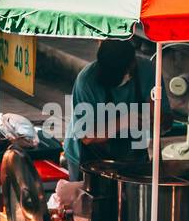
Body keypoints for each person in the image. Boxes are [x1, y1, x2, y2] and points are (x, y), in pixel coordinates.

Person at [63, 40, 169, 181]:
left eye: (117, 73)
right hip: (88, 157)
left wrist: (157, 119)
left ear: (132, 64)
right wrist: (126, 121)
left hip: (134, 157)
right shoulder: (86, 81)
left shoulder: (149, 73)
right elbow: (87, 135)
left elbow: (167, 120)